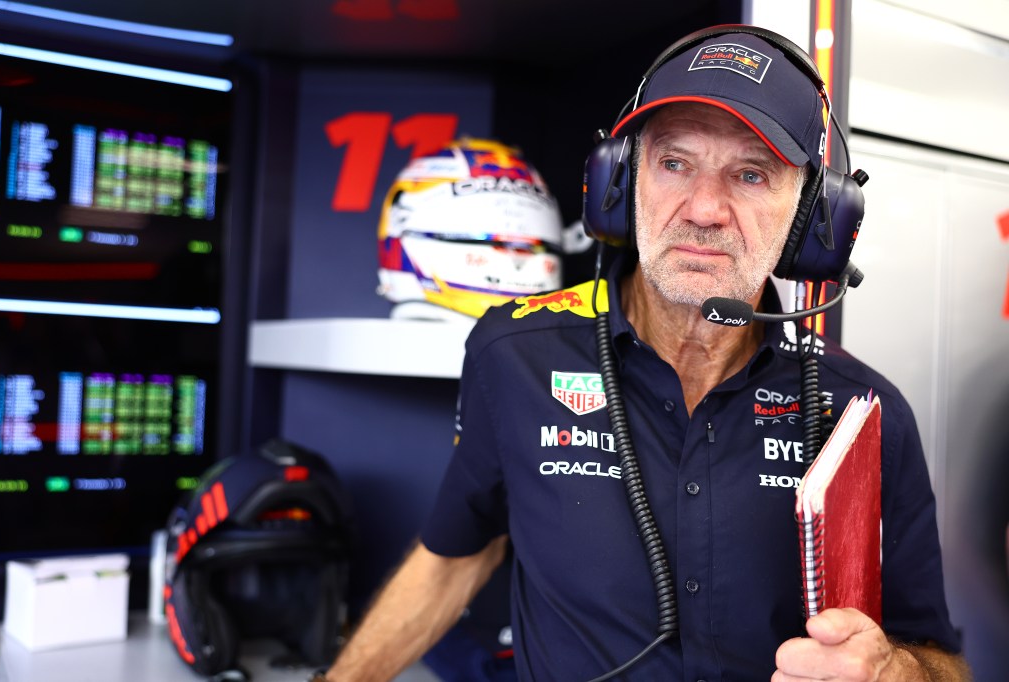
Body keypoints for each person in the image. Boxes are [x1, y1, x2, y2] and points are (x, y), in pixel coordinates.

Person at [318, 25, 969, 681]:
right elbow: (457, 556)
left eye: (750, 173)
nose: (705, 208)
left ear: (813, 217)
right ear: (620, 183)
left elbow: (940, 659)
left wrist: (892, 671)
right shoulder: (513, 353)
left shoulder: (862, 411)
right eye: (674, 163)